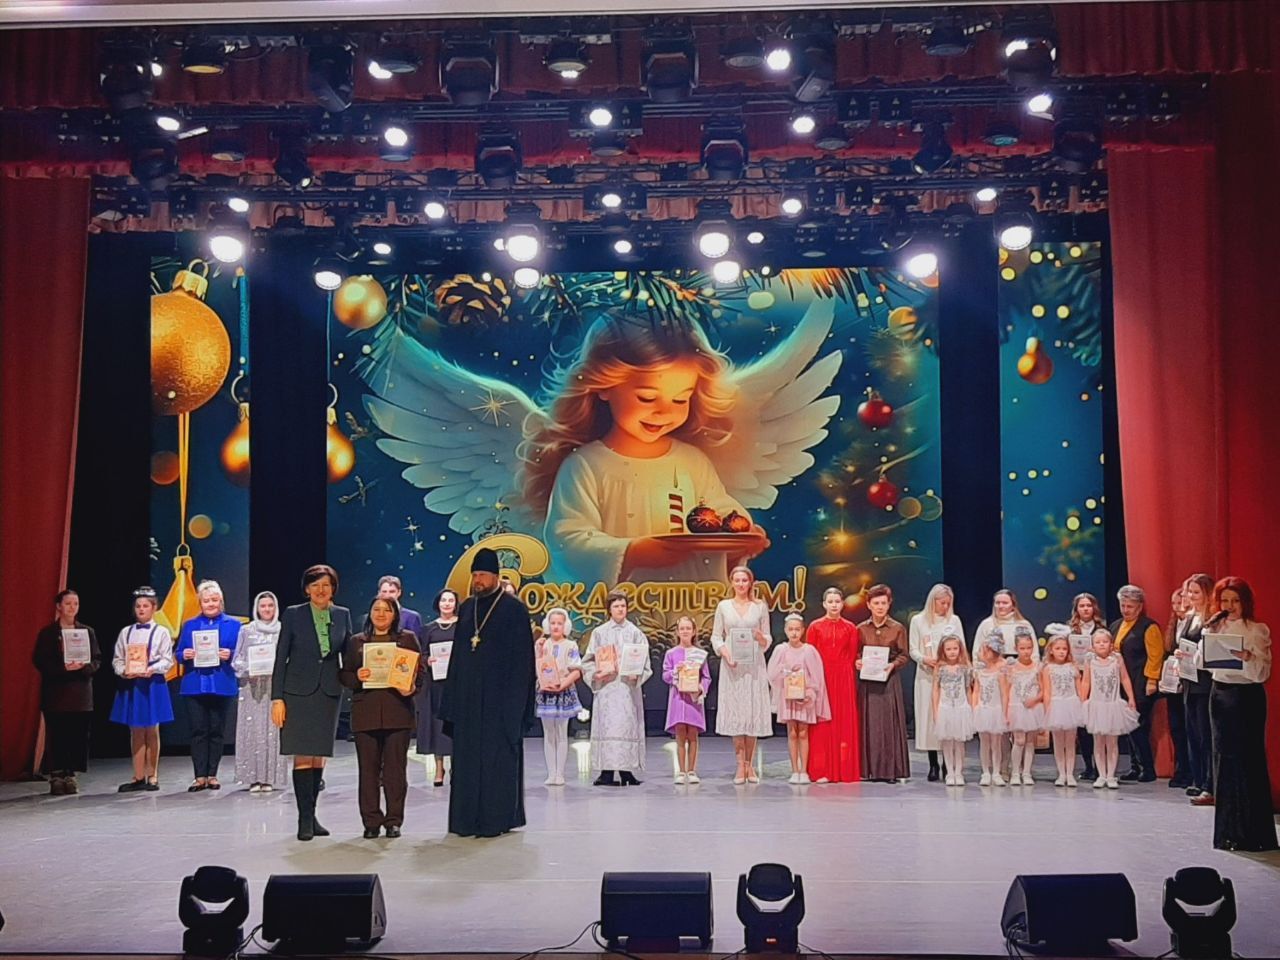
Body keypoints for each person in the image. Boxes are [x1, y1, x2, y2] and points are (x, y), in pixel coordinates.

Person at [439, 547, 536, 837]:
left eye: (483, 575)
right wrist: (451, 704)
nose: (478, 580)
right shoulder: (468, 607)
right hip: (468, 704)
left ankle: (497, 820)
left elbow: (523, 662)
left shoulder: (514, 609)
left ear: (496, 576)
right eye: (475, 575)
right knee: (467, 763)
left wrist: (517, 707)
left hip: (500, 705)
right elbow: (457, 657)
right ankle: (466, 821)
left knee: (497, 762)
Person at [271, 564, 353, 842]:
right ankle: (303, 819)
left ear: (333, 589)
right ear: (307, 589)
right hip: (297, 693)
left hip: (328, 693)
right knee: (303, 755)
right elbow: (280, 658)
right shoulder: (294, 614)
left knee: (319, 755)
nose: (321, 590)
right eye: (315, 585)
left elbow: (349, 655)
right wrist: (277, 698)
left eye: (326, 585)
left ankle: (313, 814)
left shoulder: (342, 615)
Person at [1203, 577, 1276, 852]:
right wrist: (1207, 637)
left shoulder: (1257, 630)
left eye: (1235, 600)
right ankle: (1227, 833)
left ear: (1245, 602)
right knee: (1223, 760)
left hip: (1246, 698)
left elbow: (1262, 673)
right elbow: (1204, 665)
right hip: (1220, 696)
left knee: (1248, 760)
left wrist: (1247, 657)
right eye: (1225, 600)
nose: (1230, 606)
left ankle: (1253, 833)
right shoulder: (1216, 627)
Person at [340, 596, 421, 839]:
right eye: (376, 609)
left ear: (395, 614)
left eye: (387, 610)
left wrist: (411, 687)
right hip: (366, 714)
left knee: (395, 772)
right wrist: (358, 677)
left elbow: (420, 672)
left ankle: (394, 820)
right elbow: (345, 675)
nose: (381, 614)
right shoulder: (357, 642)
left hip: (398, 713)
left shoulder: (407, 639)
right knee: (368, 772)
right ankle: (371, 821)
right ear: (370, 613)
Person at [32, 590, 101, 795]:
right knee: (56, 735)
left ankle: (71, 775)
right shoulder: (48, 633)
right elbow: (39, 660)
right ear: (59, 606)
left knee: (76, 735)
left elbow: (96, 659)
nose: (72, 607)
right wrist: (63, 668)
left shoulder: (87, 631)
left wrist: (84, 667)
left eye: (76, 604)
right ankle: (56, 775)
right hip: (56, 693)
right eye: (68, 603)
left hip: (80, 694)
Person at [174, 580, 240, 791]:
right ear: (200, 603)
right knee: (198, 731)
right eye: (206, 600)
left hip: (221, 683)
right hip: (195, 684)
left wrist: (231, 654)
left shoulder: (234, 625)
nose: (210, 604)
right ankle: (199, 776)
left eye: (214, 600)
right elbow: (178, 653)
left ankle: (212, 775)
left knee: (217, 731)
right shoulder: (190, 625)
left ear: (221, 601)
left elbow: (242, 654)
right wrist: (184, 654)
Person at [711, 565, 774, 784]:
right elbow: (716, 637)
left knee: (751, 713)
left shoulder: (759, 606)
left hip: (754, 665)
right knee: (737, 715)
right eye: (737, 580)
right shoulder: (723, 606)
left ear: (750, 583)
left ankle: (750, 764)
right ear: (732, 582)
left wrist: (761, 638)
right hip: (732, 666)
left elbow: (768, 637)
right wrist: (725, 654)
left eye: (744, 580)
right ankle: (740, 765)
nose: (740, 584)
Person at [582, 590, 651, 786]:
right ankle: (606, 772)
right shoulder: (599, 633)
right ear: (609, 609)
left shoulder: (635, 633)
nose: (620, 609)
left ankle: (626, 771)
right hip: (607, 688)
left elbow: (644, 661)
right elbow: (588, 661)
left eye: (623, 606)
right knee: (607, 726)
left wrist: (637, 674)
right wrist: (596, 674)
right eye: (616, 606)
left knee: (626, 726)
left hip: (627, 688)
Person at [109, 586, 174, 792]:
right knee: (136, 729)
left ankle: (152, 776)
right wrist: (123, 671)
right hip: (133, 683)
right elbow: (118, 659)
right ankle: (138, 776)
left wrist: (152, 669)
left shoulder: (161, 632)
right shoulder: (126, 632)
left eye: (146, 606)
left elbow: (167, 659)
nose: (141, 609)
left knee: (152, 729)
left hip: (152, 683)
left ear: (154, 608)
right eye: (138, 606)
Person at [230, 591, 289, 793]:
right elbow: (237, 660)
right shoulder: (246, 630)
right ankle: (253, 778)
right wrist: (249, 670)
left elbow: (288, 658)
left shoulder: (282, 630)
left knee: (272, 730)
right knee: (252, 730)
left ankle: (269, 778)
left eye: (270, 606)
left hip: (275, 687)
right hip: (252, 688)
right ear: (257, 608)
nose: (267, 609)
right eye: (263, 606)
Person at [855, 584, 910, 782]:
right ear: (869, 605)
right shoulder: (860, 629)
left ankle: (890, 771)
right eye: (876, 603)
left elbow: (904, 655)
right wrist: (857, 661)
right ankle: (867, 770)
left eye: (883, 603)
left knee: (888, 725)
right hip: (868, 683)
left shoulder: (897, 628)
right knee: (869, 724)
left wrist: (892, 665)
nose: (880, 607)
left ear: (889, 604)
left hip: (888, 681)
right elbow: (856, 652)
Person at [909, 583, 964, 782]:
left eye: (948, 603)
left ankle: (948, 763)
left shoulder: (954, 620)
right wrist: (925, 659)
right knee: (930, 717)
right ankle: (933, 763)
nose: (945, 607)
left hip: (950, 678)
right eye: (942, 603)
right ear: (933, 601)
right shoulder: (918, 620)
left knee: (949, 716)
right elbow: (913, 649)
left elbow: (961, 647)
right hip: (927, 676)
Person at [768, 613, 830, 784]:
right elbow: (771, 674)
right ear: (785, 630)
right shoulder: (781, 650)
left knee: (803, 732)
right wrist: (786, 670)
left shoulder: (809, 651)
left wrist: (808, 692)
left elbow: (817, 676)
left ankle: (804, 771)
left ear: (803, 630)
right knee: (792, 732)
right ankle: (794, 770)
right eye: (791, 629)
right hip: (788, 697)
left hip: (804, 698)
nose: (794, 633)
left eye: (797, 629)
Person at [805, 587, 859, 784]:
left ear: (842, 604)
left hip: (844, 678)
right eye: (830, 601)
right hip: (821, 677)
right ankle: (821, 769)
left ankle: (844, 770)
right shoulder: (815, 627)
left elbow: (852, 654)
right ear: (824, 604)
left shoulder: (851, 628)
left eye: (837, 601)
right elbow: (809, 655)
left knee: (843, 722)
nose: (834, 605)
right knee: (822, 724)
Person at [1110, 584, 1163, 783]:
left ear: (1139, 607)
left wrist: (1152, 680)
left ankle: (1147, 768)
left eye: (1130, 606)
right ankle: (1135, 766)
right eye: (1123, 605)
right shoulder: (1116, 626)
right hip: (1122, 685)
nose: (1125, 610)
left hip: (1141, 683)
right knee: (1127, 727)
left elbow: (1155, 656)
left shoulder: (1149, 627)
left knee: (1138, 726)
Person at [1176, 573, 1217, 804]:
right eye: (1189, 592)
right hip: (1189, 683)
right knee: (1192, 734)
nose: (1191, 596)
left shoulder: (1211, 620)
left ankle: (1210, 784)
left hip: (1205, 684)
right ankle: (1199, 779)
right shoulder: (1190, 617)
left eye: (1195, 592)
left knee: (1205, 735)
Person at [1081, 629, 1139, 789]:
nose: (1102, 645)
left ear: (1111, 644)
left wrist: (1131, 697)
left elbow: (1125, 678)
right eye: (1098, 642)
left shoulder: (1117, 659)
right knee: (1098, 742)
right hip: (1096, 705)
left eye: (1105, 642)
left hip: (1113, 704)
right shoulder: (1090, 660)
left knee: (1112, 742)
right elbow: (1086, 681)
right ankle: (1101, 775)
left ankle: (1111, 775)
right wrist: (1083, 700)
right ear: (1093, 645)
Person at [535, 607, 583, 786]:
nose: (556, 626)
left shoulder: (571, 645)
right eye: (553, 623)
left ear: (565, 626)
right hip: (546, 692)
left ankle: (560, 773)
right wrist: (538, 651)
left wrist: (562, 684)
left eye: (559, 623)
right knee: (549, 733)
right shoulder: (543, 644)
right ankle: (551, 773)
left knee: (562, 732)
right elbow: (537, 667)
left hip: (563, 691)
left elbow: (576, 670)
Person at [416, 588, 458, 786]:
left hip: (456, 684)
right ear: (438, 603)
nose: (447, 604)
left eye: (450, 600)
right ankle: (439, 768)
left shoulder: (462, 626)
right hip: (435, 685)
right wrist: (428, 661)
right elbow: (422, 653)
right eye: (444, 600)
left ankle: (457, 767)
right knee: (437, 725)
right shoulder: (429, 628)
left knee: (456, 725)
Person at [662, 615, 710, 784]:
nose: (685, 631)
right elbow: (665, 675)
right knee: (680, 733)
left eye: (688, 628)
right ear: (677, 632)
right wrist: (676, 671)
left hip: (694, 700)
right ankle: (682, 771)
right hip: (678, 699)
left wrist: (700, 688)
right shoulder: (671, 654)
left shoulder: (700, 654)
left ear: (694, 631)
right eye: (682, 628)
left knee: (693, 734)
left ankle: (692, 770)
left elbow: (706, 677)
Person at [1066, 592, 1107, 781]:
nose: (1085, 609)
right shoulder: (1070, 630)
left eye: (1088, 605)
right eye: (1081, 606)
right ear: (1076, 609)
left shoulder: (1102, 628)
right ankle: (1088, 766)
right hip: (1078, 678)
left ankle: (1101, 767)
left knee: (1098, 722)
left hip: (1098, 678)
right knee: (1082, 724)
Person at [1042, 635, 1086, 787]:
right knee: (1058, 742)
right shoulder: (1048, 669)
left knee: (1070, 742)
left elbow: (1079, 689)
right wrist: (1048, 711)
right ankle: (1061, 774)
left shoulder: (1073, 667)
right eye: (1058, 648)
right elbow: (1047, 691)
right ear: (1051, 650)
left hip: (1071, 705)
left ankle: (1070, 774)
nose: (1061, 651)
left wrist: (1081, 706)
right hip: (1056, 706)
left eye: (1064, 649)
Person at [931, 634, 973, 786]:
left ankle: (959, 772)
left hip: (961, 708)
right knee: (947, 742)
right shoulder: (940, 668)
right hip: (945, 707)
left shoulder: (965, 668)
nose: (952, 652)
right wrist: (935, 710)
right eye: (948, 649)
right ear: (943, 651)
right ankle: (950, 772)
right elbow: (935, 690)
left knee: (959, 742)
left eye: (955, 648)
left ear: (960, 649)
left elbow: (968, 689)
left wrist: (970, 708)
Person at [1005, 632, 1045, 786]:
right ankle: (1015, 772)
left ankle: (1027, 772)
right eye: (1022, 648)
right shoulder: (1011, 667)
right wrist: (1006, 711)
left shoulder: (1038, 667)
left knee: (1029, 741)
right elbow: (1006, 690)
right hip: (1016, 708)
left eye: (1029, 648)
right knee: (1019, 740)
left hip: (1033, 708)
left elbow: (1043, 690)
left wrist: (1035, 700)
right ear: (1016, 648)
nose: (1026, 651)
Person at [970, 635, 1009, 786]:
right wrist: (975, 708)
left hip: (996, 710)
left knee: (996, 743)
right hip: (983, 710)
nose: (980, 653)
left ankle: (997, 772)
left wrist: (1004, 713)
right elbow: (976, 692)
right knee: (984, 743)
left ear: (993, 652)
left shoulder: (1000, 672)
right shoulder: (979, 672)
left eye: (984, 651)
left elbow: (1004, 694)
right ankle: (985, 772)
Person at [972, 589, 1037, 662]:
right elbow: (977, 652)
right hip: (992, 667)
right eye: (997, 603)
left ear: (1013, 605)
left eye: (1005, 603)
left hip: (1021, 667)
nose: (1000, 606)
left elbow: (1035, 653)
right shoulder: (986, 624)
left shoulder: (1024, 625)